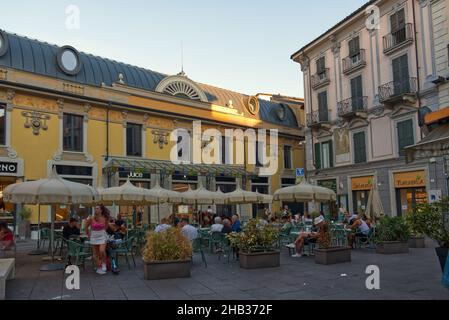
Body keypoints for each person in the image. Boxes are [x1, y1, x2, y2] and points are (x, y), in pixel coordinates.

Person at [85, 205, 109, 275]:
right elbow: (86, 227)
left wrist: (103, 232)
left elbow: (106, 226)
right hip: (94, 236)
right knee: (95, 254)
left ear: (101, 210)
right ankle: (99, 267)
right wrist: (89, 235)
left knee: (102, 250)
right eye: (95, 208)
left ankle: (104, 263)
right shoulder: (91, 218)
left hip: (102, 235)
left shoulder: (105, 218)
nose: (96, 210)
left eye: (97, 208)